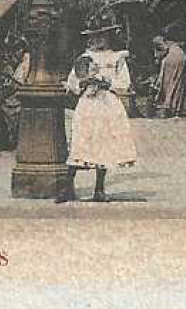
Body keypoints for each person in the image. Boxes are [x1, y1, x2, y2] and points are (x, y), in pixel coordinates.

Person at [58, 25, 138, 203]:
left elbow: (124, 83)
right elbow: (73, 82)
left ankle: (99, 189)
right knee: (81, 141)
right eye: (95, 36)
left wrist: (107, 84)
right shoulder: (85, 57)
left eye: (102, 36)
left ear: (109, 37)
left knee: (104, 142)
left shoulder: (117, 58)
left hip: (107, 105)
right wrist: (84, 82)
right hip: (88, 104)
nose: (98, 40)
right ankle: (68, 187)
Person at [153, 24, 186, 119]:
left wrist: (159, 57)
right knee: (178, 82)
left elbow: (163, 50)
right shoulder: (176, 42)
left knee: (169, 83)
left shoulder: (160, 40)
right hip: (180, 55)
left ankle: (169, 106)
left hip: (171, 57)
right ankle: (177, 107)